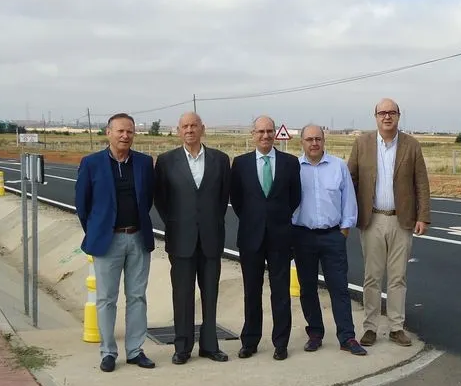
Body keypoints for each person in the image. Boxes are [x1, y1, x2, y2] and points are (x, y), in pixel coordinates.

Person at [75, 112, 156, 372]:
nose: (125, 135)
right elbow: (82, 205)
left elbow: (148, 199)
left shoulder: (144, 163)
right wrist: (99, 231)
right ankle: (108, 352)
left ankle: (135, 350)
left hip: (138, 239)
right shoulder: (91, 163)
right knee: (106, 299)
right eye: (120, 131)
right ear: (108, 133)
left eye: (129, 131)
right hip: (107, 242)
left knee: (137, 297)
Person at [347, 98, 431, 348]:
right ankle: (370, 327)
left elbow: (421, 183)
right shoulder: (362, 143)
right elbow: (350, 178)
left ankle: (396, 327)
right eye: (382, 113)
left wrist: (423, 216)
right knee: (372, 276)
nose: (387, 117)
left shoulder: (411, 145)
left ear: (398, 116)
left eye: (391, 112)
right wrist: (346, 214)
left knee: (398, 277)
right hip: (372, 219)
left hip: (401, 220)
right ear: (375, 116)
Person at [153, 112, 231, 365]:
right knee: (183, 295)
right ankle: (182, 347)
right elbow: (161, 200)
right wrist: (178, 222)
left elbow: (222, 199)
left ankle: (210, 345)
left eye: (194, 126)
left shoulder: (220, 160)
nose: (189, 130)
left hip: (211, 239)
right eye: (184, 126)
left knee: (210, 294)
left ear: (202, 129)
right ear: (178, 131)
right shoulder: (166, 161)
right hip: (181, 240)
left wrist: (208, 222)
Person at [230, 115, 301, 360]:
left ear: (275, 134)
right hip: (251, 237)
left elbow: (295, 198)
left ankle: (280, 343)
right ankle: (249, 340)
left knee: (280, 292)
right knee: (252, 291)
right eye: (261, 131)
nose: (266, 136)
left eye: (270, 131)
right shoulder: (240, 164)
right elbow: (237, 201)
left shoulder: (290, 163)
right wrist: (256, 219)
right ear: (253, 134)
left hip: (281, 237)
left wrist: (276, 219)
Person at [292, 125, 366, 356]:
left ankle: (347, 337)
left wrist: (344, 229)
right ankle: (315, 333)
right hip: (303, 235)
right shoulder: (294, 168)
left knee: (339, 288)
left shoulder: (338, 166)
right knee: (308, 288)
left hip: (333, 236)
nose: (314, 143)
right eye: (309, 139)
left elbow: (348, 201)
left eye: (318, 139)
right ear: (302, 142)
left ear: (324, 141)